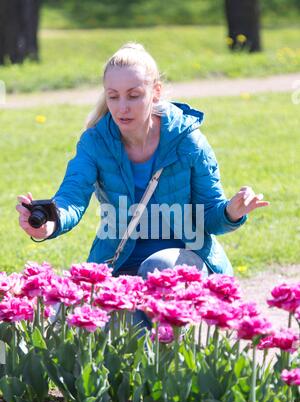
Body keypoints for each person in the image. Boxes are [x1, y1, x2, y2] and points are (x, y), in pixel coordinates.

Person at [16, 42, 269, 331]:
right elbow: (71, 198)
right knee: (74, 321)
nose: (122, 108)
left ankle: (167, 354)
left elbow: (210, 216)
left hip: (183, 261)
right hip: (120, 265)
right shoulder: (95, 143)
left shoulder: (188, 141)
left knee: (156, 271)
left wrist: (231, 212)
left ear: (155, 92)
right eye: (113, 97)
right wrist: (50, 221)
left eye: (134, 96)